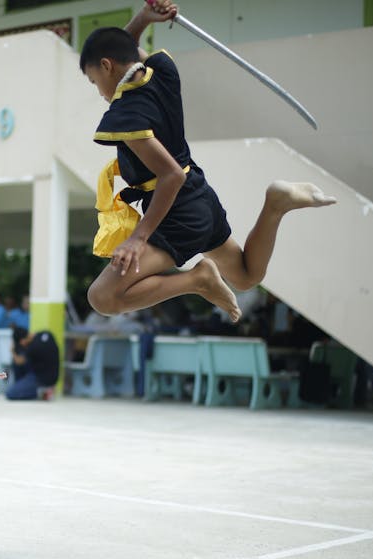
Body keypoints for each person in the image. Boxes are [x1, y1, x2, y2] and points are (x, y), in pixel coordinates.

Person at [80, 3, 336, 325]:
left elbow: (170, 176)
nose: (99, 92)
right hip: (198, 193)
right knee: (244, 276)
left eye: (93, 81)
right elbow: (124, 52)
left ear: (106, 66)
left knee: (102, 297)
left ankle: (197, 280)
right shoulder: (162, 74)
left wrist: (138, 238)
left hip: (178, 210)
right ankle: (275, 204)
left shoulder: (126, 117)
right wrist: (144, 18)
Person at [5, 327, 60, 401]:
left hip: (40, 378)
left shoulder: (32, 347)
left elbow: (19, 361)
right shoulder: (47, 334)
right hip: (53, 376)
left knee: (10, 393)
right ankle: (26, 386)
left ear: (22, 341)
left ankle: (42, 391)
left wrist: (12, 351)